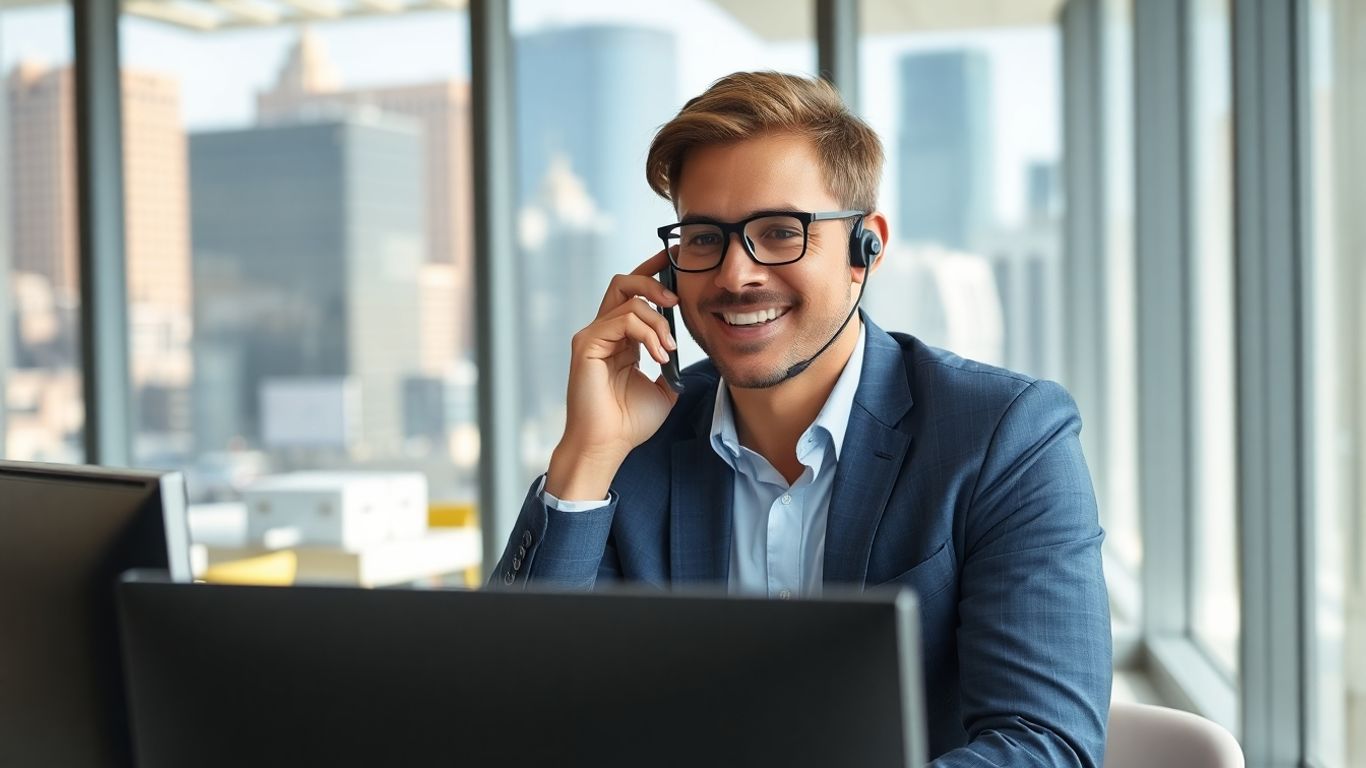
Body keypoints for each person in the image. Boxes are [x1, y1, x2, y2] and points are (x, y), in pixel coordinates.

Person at [491, 71, 1111, 766]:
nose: (735, 275)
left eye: (780, 232)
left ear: (864, 250)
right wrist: (585, 458)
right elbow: (503, 713)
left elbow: (1046, 747)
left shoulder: (1005, 436)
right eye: (703, 239)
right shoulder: (634, 441)